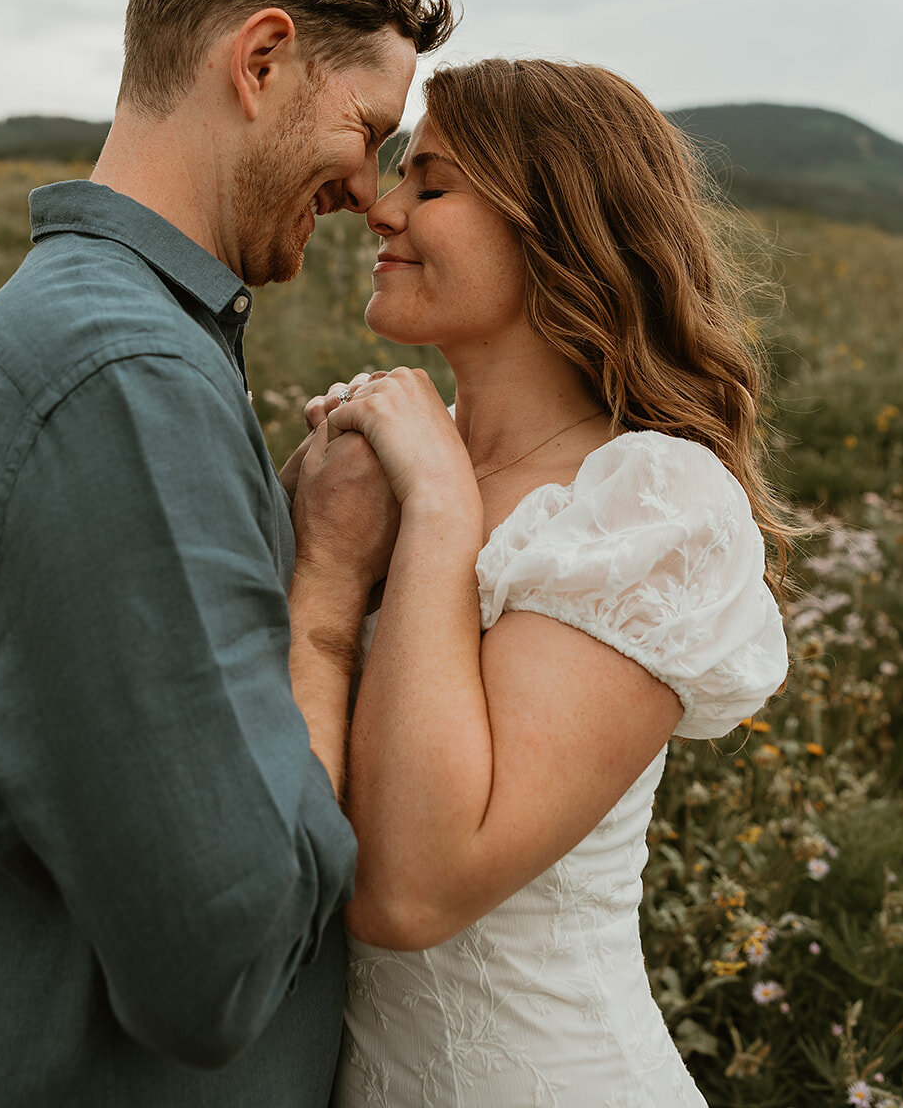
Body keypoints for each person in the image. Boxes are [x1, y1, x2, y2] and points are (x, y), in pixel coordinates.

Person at [0, 0, 455, 1107]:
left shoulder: (103, 339)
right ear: (260, 61)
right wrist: (325, 587)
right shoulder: (119, 377)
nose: (371, 190)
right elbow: (222, 955)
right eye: (367, 128)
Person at [301, 58, 789, 1108]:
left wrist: (437, 506)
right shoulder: (376, 465)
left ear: (555, 224)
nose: (381, 206)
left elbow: (412, 890)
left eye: (430, 184)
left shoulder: (651, 504)